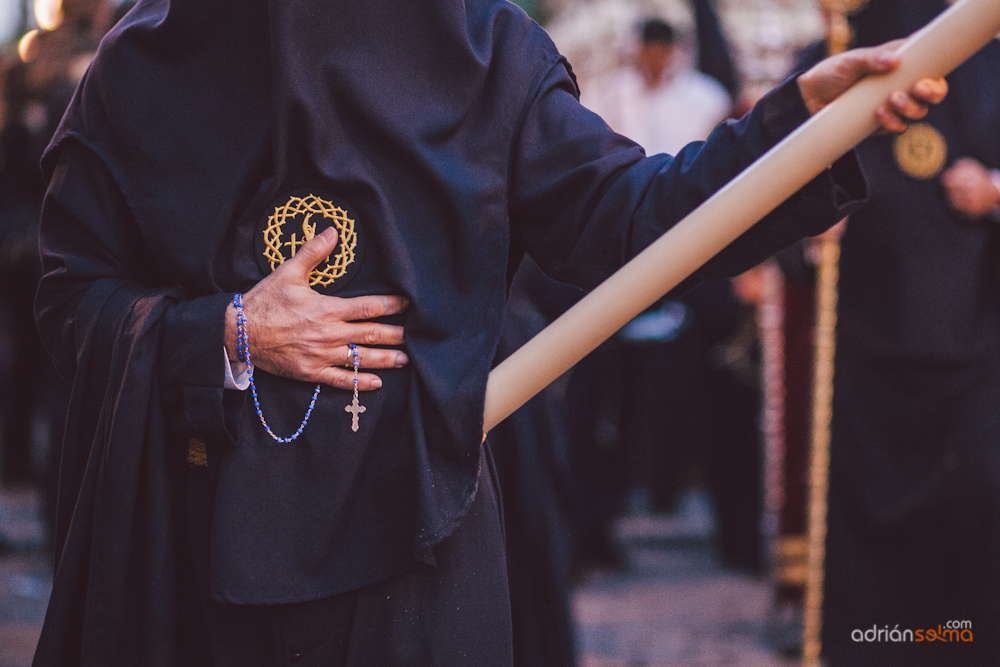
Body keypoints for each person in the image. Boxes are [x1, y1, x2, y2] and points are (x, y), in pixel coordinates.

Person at [31, 1, 944, 665]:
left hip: (416, 538)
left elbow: (633, 218)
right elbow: (71, 300)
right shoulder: (144, 60)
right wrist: (228, 333)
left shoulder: (484, 46)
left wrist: (797, 132)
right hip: (198, 545)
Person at [821, 1, 1000, 665]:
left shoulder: (990, 45)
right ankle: (875, 647)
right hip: (867, 338)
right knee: (864, 515)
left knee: (979, 492)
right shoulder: (844, 41)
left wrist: (995, 191)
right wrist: (809, 213)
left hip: (979, 331)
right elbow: (782, 159)